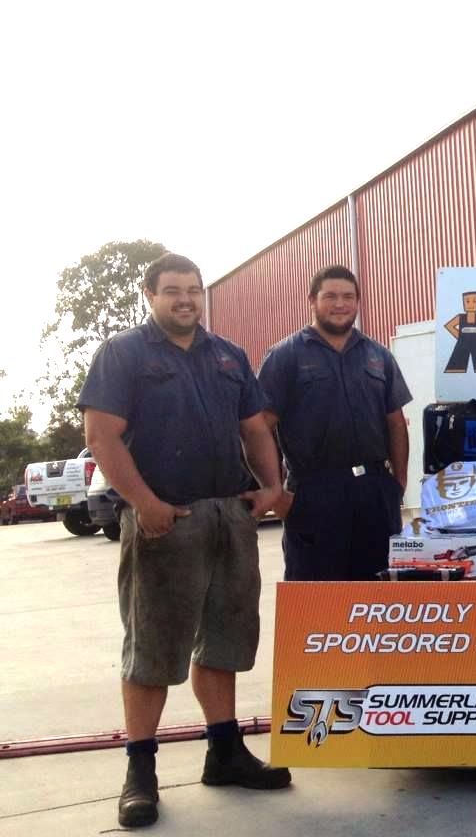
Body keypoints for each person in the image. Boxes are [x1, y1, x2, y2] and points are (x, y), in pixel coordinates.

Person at [80, 253, 290, 829]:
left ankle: (224, 752)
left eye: (194, 290)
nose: (186, 300)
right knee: (152, 648)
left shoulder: (228, 355)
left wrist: (272, 485)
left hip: (230, 515)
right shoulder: (123, 354)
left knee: (226, 640)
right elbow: (101, 434)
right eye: (172, 290)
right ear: (149, 294)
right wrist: (145, 504)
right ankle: (139, 772)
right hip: (164, 518)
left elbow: (253, 427)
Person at [257, 265, 411, 581]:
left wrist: (397, 484)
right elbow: (257, 427)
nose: (340, 304)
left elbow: (395, 422)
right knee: (316, 597)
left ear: (357, 301)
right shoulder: (286, 356)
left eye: (348, 297)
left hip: (374, 492)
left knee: (377, 595)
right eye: (331, 296)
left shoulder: (378, 356)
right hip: (314, 493)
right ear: (312, 300)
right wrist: (275, 492)